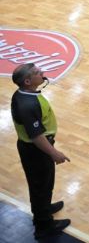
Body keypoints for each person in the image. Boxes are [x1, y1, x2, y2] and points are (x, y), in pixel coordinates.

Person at [10, 63, 71, 238]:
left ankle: (44, 208)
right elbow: (36, 136)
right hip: (36, 150)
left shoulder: (24, 95)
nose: (42, 72)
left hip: (36, 149)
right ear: (28, 81)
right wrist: (54, 153)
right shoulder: (28, 105)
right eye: (37, 72)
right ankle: (44, 227)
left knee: (44, 185)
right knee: (40, 187)